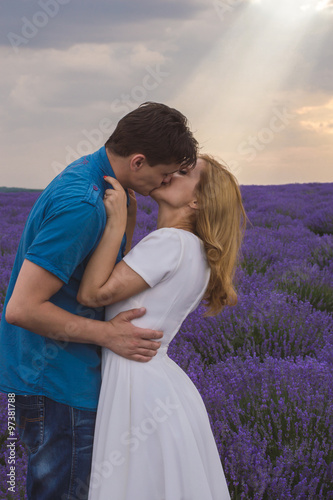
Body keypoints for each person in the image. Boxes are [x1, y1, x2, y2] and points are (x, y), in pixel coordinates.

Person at [0, 102, 198, 500]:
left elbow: (102, 277)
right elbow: (22, 307)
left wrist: (125, 217)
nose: (164, 184)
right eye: (162, 175)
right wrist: (108, 334)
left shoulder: (107, 184)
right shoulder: (84, 205)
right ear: (138, 161)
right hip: (56, 381)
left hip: (58, 377)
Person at [77, 154, 247, 499]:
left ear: (197, 200)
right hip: (159, 383)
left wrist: (114, 224)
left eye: (184, 172)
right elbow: (118, 281)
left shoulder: (168, 243)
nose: (169, 172)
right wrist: (130, 222)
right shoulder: (194, 249)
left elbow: (92, 293)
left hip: (136, 384)